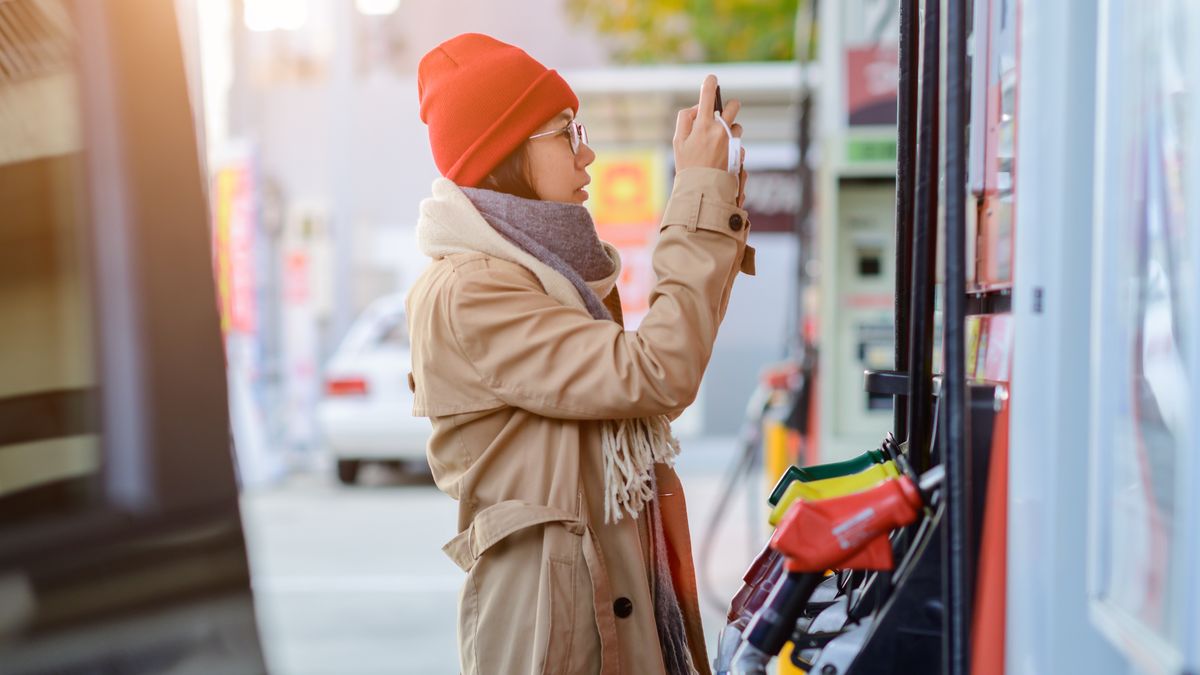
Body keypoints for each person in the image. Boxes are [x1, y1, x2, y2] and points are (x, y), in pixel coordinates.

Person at [408, 32, 754, 675]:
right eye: (566, 132)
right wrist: (698, 193)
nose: (587, 153)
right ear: (505, 151)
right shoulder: (472, 289)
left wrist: (715, 191)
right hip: (562, 635)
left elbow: (647, 381)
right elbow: (655, 373)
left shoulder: (547, 275)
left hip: (606, 607)